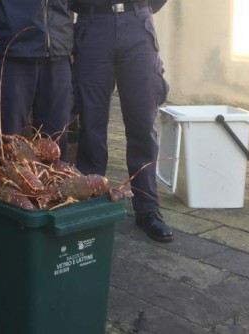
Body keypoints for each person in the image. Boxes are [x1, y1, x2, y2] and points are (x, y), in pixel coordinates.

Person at [71, 0, 174, 242]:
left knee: (142, 123)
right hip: (93, 24)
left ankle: (147, 208)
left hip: (137, 24)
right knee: (91, 122)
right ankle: (91, 202)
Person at [0, 0, 74, 160]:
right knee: (6, 143)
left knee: (56, 144)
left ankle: (55, 185)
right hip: (13, 49)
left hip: (58, 48)